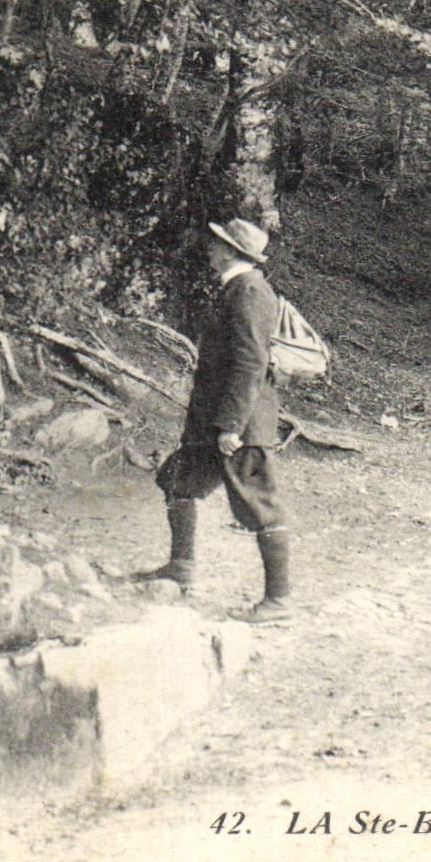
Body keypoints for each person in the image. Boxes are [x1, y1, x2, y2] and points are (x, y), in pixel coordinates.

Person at [137, 218, 293, 623]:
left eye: (217, 242)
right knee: (178, 481)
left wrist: (232, 427)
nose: (209, 247)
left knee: (261, 506)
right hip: (213, 420)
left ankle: (279, 602)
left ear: (231, 251)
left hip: (238, 422)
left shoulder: (251, 291)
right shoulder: (234, 288)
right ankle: (181, 567)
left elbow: (251, 363)